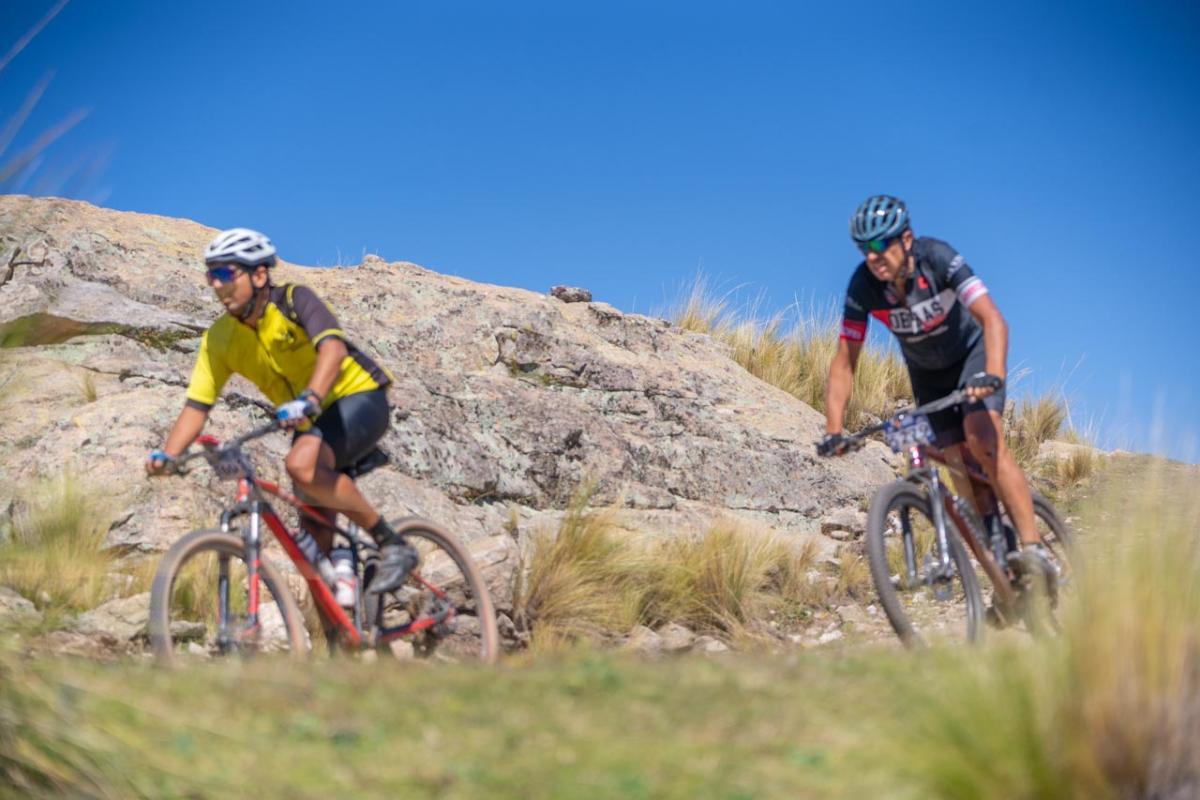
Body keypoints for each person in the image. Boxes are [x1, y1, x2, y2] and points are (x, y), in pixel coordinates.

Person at [145, 227, 418, 595]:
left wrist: (310, 397)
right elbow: (197, 405)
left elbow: (333, 349)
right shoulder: (219, 339)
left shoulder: (294, 300)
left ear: (259, 275)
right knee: (312, 559)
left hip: (357, 397)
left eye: (225, 273)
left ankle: (392, 543)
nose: (217, 285)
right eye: (211, 275)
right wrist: (168, 454)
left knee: (300, 466)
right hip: (310, 423)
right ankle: (340, 626)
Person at [818, 195, 1054, 581]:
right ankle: (1002, 566)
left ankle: (1033, 548)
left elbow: (993, 320)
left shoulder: (938, 258)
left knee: (981, 438)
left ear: (906, 239)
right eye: (864, 248)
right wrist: (833, 429)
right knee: (956, 464)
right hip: (928, 375)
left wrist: (992, 375)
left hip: (972, 357)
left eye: (880, 244)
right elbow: (845, 362)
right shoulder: (863, 287)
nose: (873, 256)